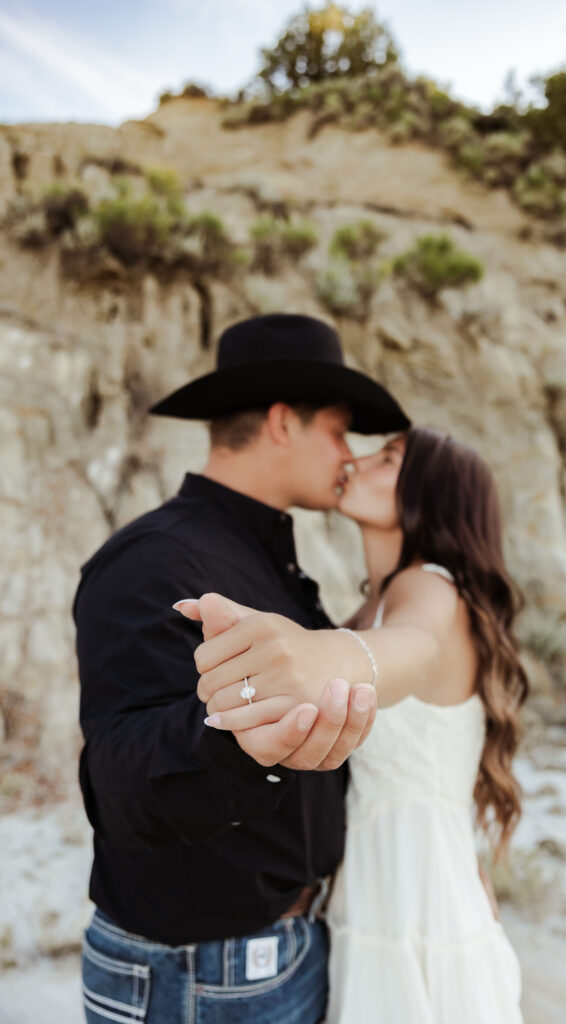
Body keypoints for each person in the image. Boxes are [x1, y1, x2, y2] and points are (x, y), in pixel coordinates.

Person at [74, 313, 411, 1024]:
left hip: (273, 951)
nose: (348, 454)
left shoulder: (264, 557)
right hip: (202, 972)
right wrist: (230, 740)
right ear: (283, 423)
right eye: (338, 430)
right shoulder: (157, 559)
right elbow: (117, 773)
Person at [181, 427, 528, 1023]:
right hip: (381, 888)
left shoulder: (428, 589)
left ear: (433, 494)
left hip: (416, 902)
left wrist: (319, 659)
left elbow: (412, 648)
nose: (358, 461)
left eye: (388, 458)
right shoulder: (373, 605)